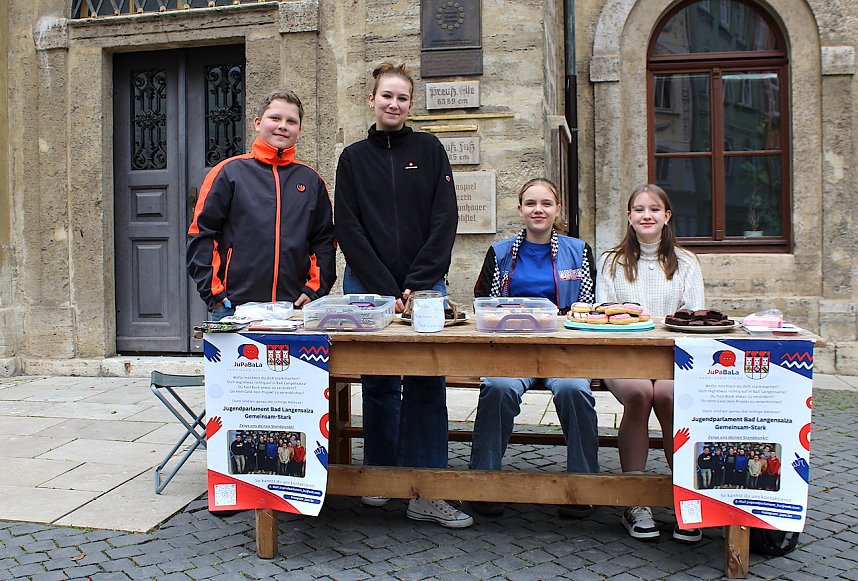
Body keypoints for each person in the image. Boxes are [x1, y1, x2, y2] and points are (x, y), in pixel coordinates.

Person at [334, 62, 471, 528]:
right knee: (377, 381)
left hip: (425, 288)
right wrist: (387, 290)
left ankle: (426, 489)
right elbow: (348, 226)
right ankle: (380, 474)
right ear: (371, 100)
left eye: (402, 98)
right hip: (368, 286)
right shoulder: (353, 158)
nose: (394, 104)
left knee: (427, 380)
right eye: (387, 95)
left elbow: (444, 219)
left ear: (411, 105)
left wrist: (418, 284)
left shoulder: (429, 150)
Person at [468, 177, 599, 518]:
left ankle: (582, 487)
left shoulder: (578, 251)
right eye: (531, 203)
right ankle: (484, 483)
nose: (538, 210)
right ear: (520, 209)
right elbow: (483, 301)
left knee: (574, 390)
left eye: (546, 204)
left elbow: (588, 305)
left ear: (557, 209)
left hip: (564, 352)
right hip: (513, 350)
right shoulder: (500, 253)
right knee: (497, 388)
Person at [597, 183, 705, 543]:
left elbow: (694, 316)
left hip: (672, 357)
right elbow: (604, 313)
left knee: (670, 397)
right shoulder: (611, 261)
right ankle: (635, 500)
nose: (647, 215)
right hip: (623, 355)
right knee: (641, 394)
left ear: (667, 216)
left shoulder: (686, 262)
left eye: (654, 209)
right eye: (640, 209)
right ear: (629, 217)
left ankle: (686, 499)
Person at [187, 90, 336, 321]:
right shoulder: (228, 173)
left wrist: (315, 288)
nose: (282, 126)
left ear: (299, 129)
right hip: (233, 307)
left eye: (291, 121)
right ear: (257, 123)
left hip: (293, 308)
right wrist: (213, 292)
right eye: (275, 118)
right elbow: (202, 233)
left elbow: (324, 241)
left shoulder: (311, 180)